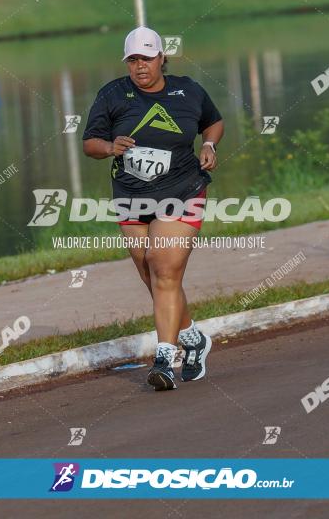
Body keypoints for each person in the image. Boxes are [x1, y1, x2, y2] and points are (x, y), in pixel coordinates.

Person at [82, 26, 225, 391]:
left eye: (146, 58)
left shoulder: (188, 90)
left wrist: (209, 145)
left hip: (182, 189)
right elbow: (90, 144)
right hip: (131, 195)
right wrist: (111, 146)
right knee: (152, 272)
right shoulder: (113, 94)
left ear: (163, 58)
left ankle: (164, 357)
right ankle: (193, 338)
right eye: (133, 60)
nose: (140, 66)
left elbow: (214, 121)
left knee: (163, 267)